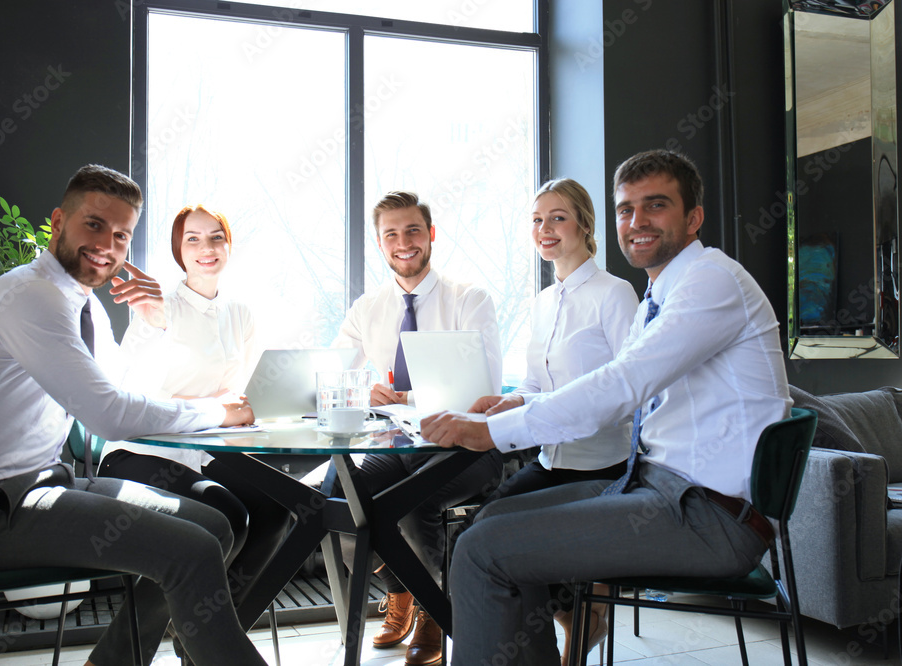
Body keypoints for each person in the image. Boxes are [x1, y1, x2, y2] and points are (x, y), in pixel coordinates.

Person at [420, 150, 791, 665]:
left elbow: (622, 383)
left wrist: (494, 433)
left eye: (655, 206)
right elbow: (600, 381)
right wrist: (502, 415)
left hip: (710, 515)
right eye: (626, 209)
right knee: (488, 523)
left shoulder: (712, 281)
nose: (636, 222)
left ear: (693, 218)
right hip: (658, 486)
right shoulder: (660, 294)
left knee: (484, 551)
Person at [0, 165, 267, 666]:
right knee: (191, 552)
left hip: (42, 483)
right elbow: (108, 415)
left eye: (121, 234)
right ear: (58, 222)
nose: (107, 244)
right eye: (93, 225)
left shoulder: (81, 303)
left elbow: (123, 387)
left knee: (214, 528)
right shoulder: (33, 297)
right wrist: (216, 409)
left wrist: (155, 323)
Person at [461, 178, 638, 664]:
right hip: (550, 458)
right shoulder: (541, 303)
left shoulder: (614, 294)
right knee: (486, 523)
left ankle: (576, 620)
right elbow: (537, 389)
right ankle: (569, 621)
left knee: (507, 532)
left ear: (584, 224)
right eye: (537, 220)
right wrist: (504, 402)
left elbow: (632, 391)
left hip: (602, 465)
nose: (545, 229)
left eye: (557, 217)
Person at [326, 191, 506, 666]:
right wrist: (361, 389)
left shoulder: (470, 299)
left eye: (412, 231)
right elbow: (333, 372)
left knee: (416, 501)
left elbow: (485, 387)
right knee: (343, 499)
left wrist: (407, 396)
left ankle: (433, 610)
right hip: (395, 443)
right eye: (391, 234)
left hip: (466, 444)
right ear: (380, 243)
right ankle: (400, 590)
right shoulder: (368, 308)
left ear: (430, 235)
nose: (403, 242)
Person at [98, 204, 291, 612]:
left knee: (276, 511)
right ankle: (205, 633)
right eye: (193, 239)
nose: (206, 247)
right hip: (143, 452)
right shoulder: (159, 308)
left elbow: (246, 394)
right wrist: (154, 323)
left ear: (228, 247)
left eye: (215, 237)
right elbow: (133, 393)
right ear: (179, 252)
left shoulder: (241, 314)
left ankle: (219, 629)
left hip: (206, 449)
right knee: (227, 517)